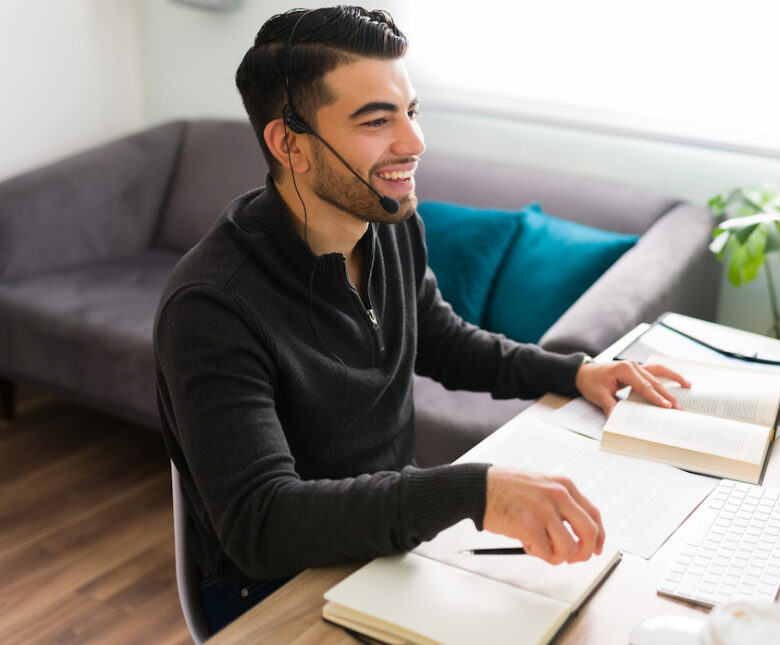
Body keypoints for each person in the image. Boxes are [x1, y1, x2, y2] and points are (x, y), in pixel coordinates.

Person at [154, 5, 688, 631]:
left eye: (411, 112)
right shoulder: (213, 305)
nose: (413, 142)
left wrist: (577, 374)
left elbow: (438, 339)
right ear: (289, 144)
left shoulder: (389, 225)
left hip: (384, 545)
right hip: (276, 594)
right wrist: (473, 491)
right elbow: (261, 524)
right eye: (377, 120)